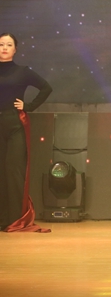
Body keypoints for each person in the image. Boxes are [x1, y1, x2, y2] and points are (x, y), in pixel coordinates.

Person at [0, 32, 52, 232]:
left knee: (13, 170)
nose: (4, 48)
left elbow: (46, 88)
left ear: (15, 49)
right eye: (1, 44)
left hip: (14, 123)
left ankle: (14, 219)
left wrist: (28, 106)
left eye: (8, 45)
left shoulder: (22, 71)